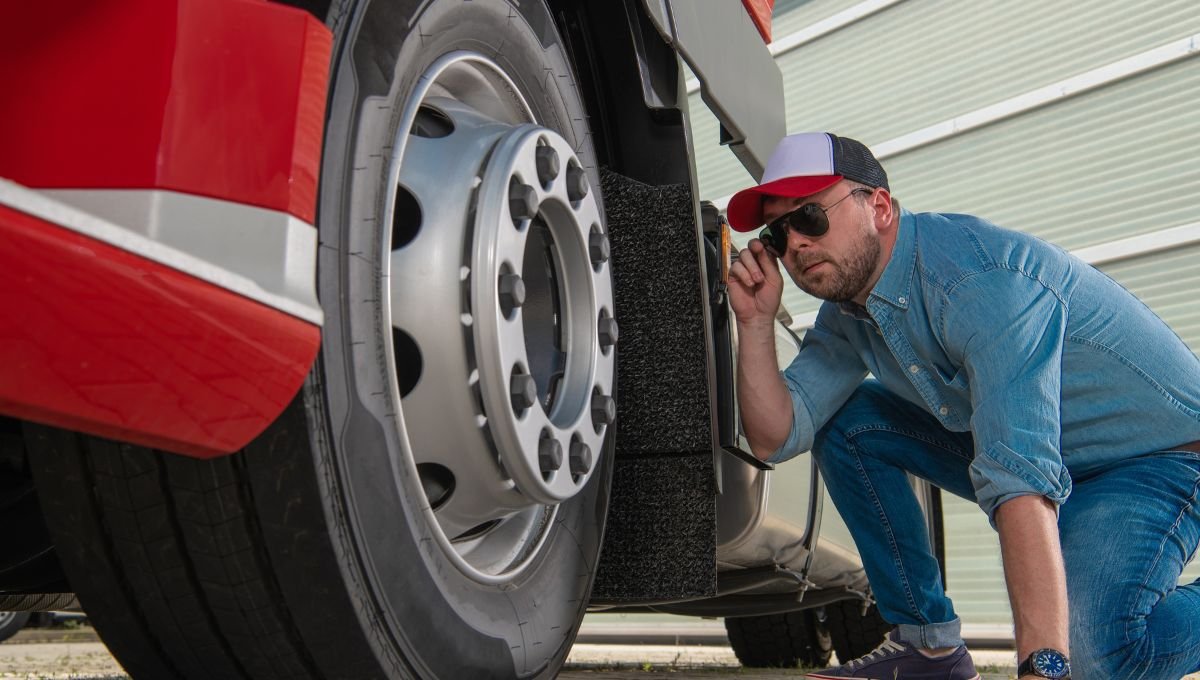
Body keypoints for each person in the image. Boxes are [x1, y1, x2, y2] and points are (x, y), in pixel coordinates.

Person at [726, 131, 1200, 680]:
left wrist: (1041, 668)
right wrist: (756, 323)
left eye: (810, 216)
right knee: (848, 424)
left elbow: (1020, 474)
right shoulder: (850, 313)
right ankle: (928, 648)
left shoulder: (982, 282)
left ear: (878, 206)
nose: (796, 246)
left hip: (1155, 461)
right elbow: (776, 435)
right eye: (777, 233)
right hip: (1059, 463)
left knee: (1093, 656)